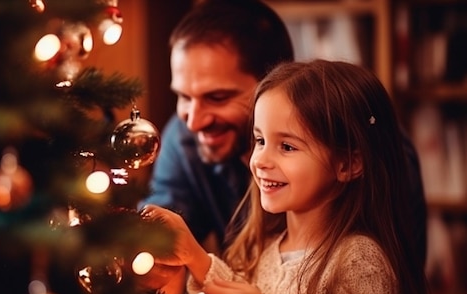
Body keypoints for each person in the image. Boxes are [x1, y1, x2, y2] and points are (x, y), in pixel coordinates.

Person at [141, 60, 436, 294]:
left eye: (287, 147)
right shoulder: (262, 249)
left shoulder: (359, 262)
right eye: (259, 140)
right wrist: (192, 257)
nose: (261, 161)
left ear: (347, 163)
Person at [139, 0, 428, 268]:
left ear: (274, 82)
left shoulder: (368, 144)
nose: (194, 121)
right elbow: (156, 239)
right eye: (184, 97)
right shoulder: (183, 138)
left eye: (217, 97)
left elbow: (392, 292)